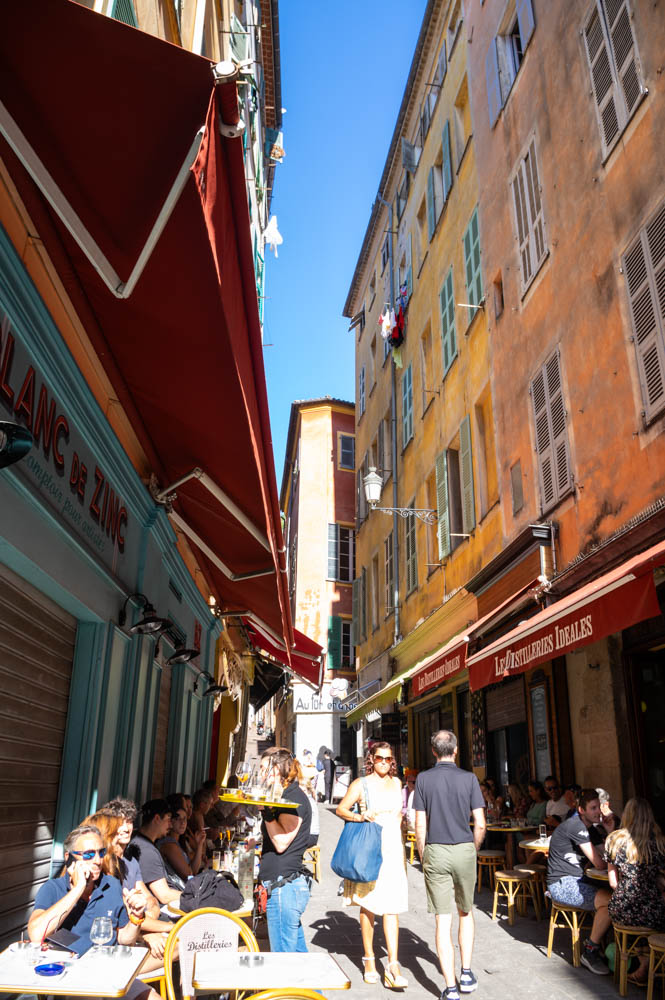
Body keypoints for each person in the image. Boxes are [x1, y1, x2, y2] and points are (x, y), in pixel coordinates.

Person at [28, 824, 157, 999]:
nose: (97, 860)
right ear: (69, 859)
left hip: (110, 974)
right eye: (88, 854)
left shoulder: (111, 885)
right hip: (69, 979)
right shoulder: (53, 889)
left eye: (101, 853)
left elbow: (124, 939)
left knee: (152, 996)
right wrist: (78, 889)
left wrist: (136, 917)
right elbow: (36, 935)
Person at [413, 730, 486, 1000]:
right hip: (464, 849)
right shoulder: (469, 779)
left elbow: (420, 823)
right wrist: (473, 848)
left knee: (442, 920)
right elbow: (480, 823)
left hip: (436, 850)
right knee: (466, 912)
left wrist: (423, 853)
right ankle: (466, 973)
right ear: (455, 750)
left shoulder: (423, 779)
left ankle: (451, 989)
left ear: (434, 751)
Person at [337, 741, 409, 989]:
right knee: (368, 906)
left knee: (392, 907)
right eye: (380, 758)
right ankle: (369, 959)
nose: (384, 763)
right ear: (371, 758)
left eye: (389, 759)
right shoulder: (361, 784)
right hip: (369, 850)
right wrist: (359, 815)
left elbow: (398, 815)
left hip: (393, 851)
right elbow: (341, 809)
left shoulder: (397, 783)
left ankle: (393, 963)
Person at [84, 810, 169, 971]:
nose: (124, 830)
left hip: (119, 947)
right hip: (102, 962)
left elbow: (146, 903)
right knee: (181, 944)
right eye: (117, 828)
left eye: (128, 822)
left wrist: (143, 924)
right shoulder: (98, 877)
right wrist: (152, 933)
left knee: (182, 945)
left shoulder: (124, 867)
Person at [545, 788, 611, 975]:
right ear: (582, 810)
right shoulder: (576, 826)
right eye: (593, 808)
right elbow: (600, 863)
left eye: (599, 807)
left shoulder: (593, 829)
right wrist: (603, 858)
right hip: (562, 884)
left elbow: (610, 856)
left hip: (580, 879)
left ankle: (608, 946)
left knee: (615, 897)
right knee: (609, 901)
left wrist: (609, 830)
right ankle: (590, 951)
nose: (598, 811)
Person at [604, 797, 665, 985]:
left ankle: (642, 964)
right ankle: (650, 962)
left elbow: (613, 883)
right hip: (653, 908)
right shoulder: (660, 842)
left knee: (630, 923)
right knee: (653, 920)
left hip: (623, 908)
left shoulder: (614, 840)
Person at [257, 748, 313, 952]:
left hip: (284, 887)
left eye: (263, 769)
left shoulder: (293, 799)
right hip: (283, 886)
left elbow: (281, 842)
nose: (260, 774)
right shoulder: (282, 796)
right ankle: (312, 987)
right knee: (298, 958)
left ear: (276, 770)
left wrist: (266, 813)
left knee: (284, 962)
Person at [125, 799, 181, 905]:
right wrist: (195, 897)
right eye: (168, 819)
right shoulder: (145, 850)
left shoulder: (143, 842)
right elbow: (164, 895)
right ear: (156, 818)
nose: (171, 825)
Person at [157, 803, 206, 879]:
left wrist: (199, 844)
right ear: (170, 821)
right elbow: (189, 874)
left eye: (185, 819)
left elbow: (194, 870)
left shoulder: (178, 842)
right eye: (178, 819)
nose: (182, 822)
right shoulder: (168, 844)